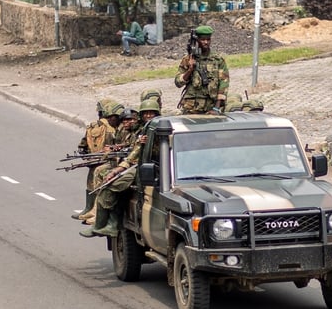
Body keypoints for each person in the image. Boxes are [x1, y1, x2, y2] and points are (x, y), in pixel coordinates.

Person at [80, 99, 160, 238]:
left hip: (149, 168)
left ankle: (106, 225)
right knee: (106, 180)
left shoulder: (156, 129)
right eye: (145, 113)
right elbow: (135, 150)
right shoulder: (144, 130)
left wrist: (120, 167)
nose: (148, 116)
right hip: (136, 164)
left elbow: (139, 152)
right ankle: (101, 224)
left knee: (111, 186)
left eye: (151, 113)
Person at [71, 99, 122, 220]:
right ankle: (90, 209)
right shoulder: (112, 128)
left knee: (97, 183)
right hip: (100, 160)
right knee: (92, 182)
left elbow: (83, 145)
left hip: (108, 162)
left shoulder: (112, 128)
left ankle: (94, 211)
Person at [174, 25, 230, 114]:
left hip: (211, 107)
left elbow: (224, 84)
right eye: (203, 39)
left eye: (208, 39)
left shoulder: (218, 60)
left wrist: (217, 108)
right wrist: (189, 70)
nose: (206, 42)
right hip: (191, 109)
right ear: (197, 41)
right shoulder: (188, 59)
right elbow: (178, 82)